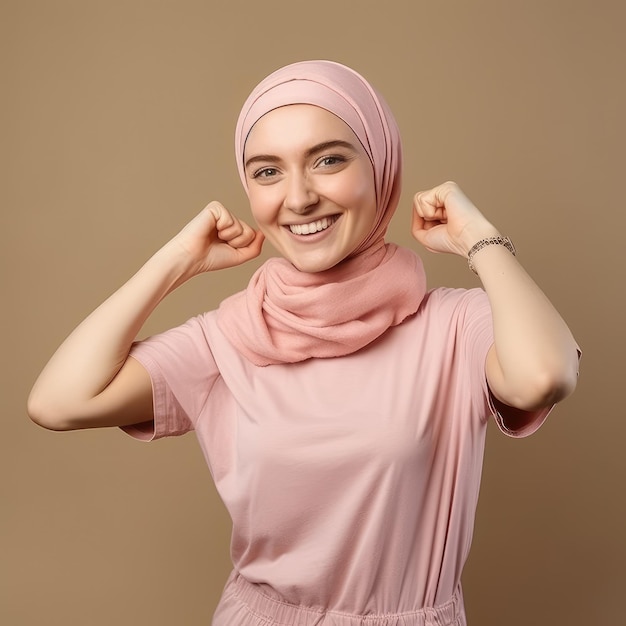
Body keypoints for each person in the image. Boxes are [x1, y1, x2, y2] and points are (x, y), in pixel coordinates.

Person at [28, 60, 580, 626]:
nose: (298, 198)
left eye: (329, 160)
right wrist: (175, 262)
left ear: (381, 166)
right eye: (267, 172)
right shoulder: (228, 339)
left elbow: (545, 376)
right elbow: (58, 402)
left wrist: (478, 238)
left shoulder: (456, 326)